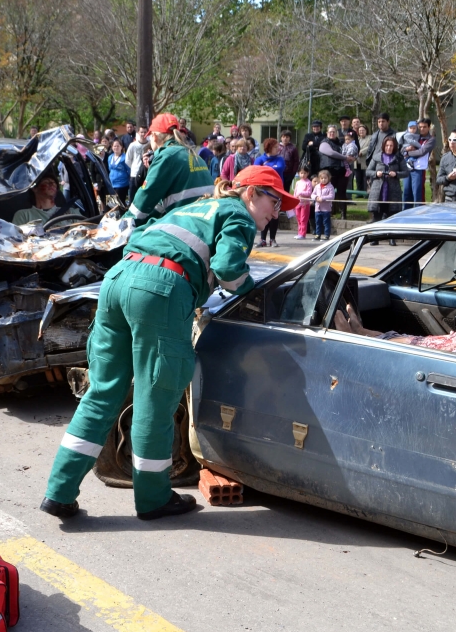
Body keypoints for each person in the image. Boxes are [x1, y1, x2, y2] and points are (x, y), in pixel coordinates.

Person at [40, 166, 299, 520]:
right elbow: (228, 269)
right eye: (274, 201)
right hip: (160, 289)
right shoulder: (238, 214)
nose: (276, 213)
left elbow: (142, 234)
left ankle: (59, 491)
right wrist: (251, 291)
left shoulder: (196, 207)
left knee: (102, 392)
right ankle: (153, 498)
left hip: (118, 281)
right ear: (250, 193)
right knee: (156, 396)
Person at [367, 136, 409, 230]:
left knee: (391, 216)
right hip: (378, 191)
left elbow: (406, 173)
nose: (389, 148)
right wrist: (376, 174)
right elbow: (368, 171)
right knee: (376, 216)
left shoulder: (399, 158)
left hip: (392, 191)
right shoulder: (377, 157)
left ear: (394, 147)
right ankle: (375, 237)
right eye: (387, 145)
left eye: (391, 145)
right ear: (383, 146)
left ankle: (391, 238)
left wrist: (396, 174)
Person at [11, 174, 80, 226]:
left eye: (54, 183)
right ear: (34, 188)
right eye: (47, 182)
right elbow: (18, 241)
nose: (52, 184)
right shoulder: (23, 215)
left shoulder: (71, 212)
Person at [254, 138, 286, 247]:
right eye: (276, 147)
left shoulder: (280, 159)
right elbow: (257, 170)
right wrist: (271, 168)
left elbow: (280, 168)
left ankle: (273, 239)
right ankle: (262, 239)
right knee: (264, 213)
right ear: (269, 147)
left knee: (274, 215)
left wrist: (265, 168)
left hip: (277, 190)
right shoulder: (259, 158)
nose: (278, 149)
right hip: (263, 190)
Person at [318, 125, 351, 218]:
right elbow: (330, 153)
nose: (332, 133)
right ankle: (327, 212)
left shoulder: (342, 142)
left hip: (342, 170)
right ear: (327, 133)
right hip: (329, 171)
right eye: (330, 132)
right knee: (327, 192)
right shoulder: (324, 143)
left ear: (336, 132)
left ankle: (343, 214)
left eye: (334, 132)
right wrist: (345, 157)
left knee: (342, 193)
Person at [402, 119, 435, 211]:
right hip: (407, 168)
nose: (422, 129)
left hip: (419, 170)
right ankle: (405, 214)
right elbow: (401, 149)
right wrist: (405, 150)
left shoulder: (431, 139)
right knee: (406, 192)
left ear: (429, 127)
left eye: (424, 127)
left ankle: (418, 214)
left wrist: (408, 153)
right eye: (420, 127)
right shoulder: (413, 136)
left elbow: (422, 152)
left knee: (417, 193)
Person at [311, 169, 335, 241]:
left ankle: (326, 235)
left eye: (325, 178)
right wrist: (316, 197)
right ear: (319, 178)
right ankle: (318, 234)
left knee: (326, 223)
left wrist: (323, 198)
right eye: (322, 178)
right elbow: (312, 194)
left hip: (326, 209)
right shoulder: (317, 186)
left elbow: (331, 196)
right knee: (317, 222)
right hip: (317, 208)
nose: (323, 180)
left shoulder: (330, 187)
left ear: (329, 178)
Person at [292, 166, 314, 239]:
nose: (303, 175)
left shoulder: (309, 183)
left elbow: (309, 193)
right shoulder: (298, 182)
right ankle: (299, 232)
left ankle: (302, 233)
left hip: (305, 204)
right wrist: (294, 198)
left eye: (305, 173)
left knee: (303, 219)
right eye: (301, 173)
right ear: (299, 173)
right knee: (298, 218)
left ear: (307, 173)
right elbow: (295, 192)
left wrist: (301, 193)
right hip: (297, 203)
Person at [107, 139, 131, 204]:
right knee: (111, 204)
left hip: (122, 184)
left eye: (118, 146)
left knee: (120, 203)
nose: (116, 147)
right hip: (112, 184)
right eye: (114, 146)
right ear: (112, 147)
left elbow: (129, 170)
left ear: (121, 147)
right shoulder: (110, 157)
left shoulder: (125, 157)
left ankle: (121, 214)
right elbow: (109, 169)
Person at [354, 124, 371, 191]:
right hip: (357, 161)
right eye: (360, 130)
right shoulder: (356, 139)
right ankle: (359, 192)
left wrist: (361, 152)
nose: (361, 132)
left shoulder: (370, 138)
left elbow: (370, 147)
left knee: (365, 177)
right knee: (358, 177)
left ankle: (366, 192)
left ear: (366, 131)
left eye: (363, 130)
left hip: (365, 160)